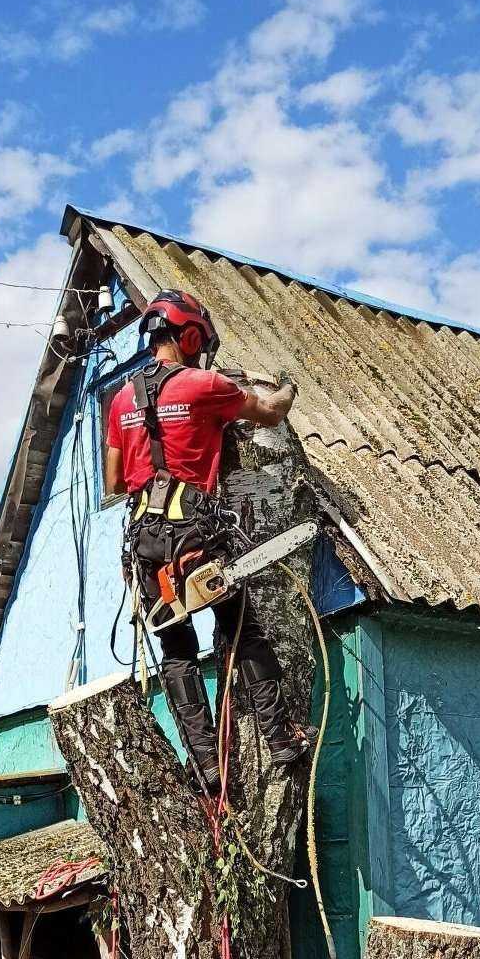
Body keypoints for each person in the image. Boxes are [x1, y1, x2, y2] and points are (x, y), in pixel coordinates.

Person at [105, 289, 309, 797]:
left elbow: (114, 481)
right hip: (194, 533)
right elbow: (270, 412)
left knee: (176, 652)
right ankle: (280, 739)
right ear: (191, 337)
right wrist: (288, 385)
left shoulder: (121, 399)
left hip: (145, 541)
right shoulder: (204, 385)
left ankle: (207, 768)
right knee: (242, 631)